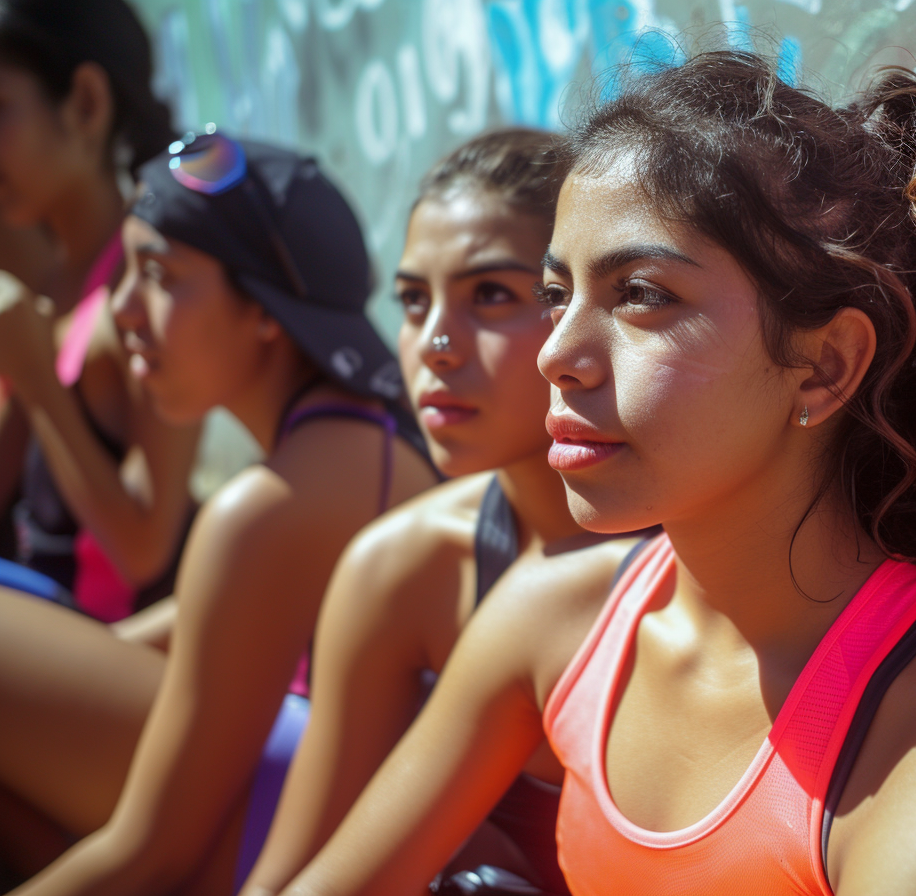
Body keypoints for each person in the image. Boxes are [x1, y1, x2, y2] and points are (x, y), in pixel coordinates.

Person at [277, 51, 916, 896]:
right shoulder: (555, 619)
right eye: (557, 295)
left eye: (642, 295)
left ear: (824, 367)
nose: (556, 354)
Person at [0, 132, 439, 894]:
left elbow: (151, 852)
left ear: (266, 311)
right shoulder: (360, 436)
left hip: (290, 830)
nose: (122, 310)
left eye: (159, 276)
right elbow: (209, 624)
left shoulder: (269, 506)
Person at [240, 130, 645, 896]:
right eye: (413, 301)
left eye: (491, 295)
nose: (436, 344)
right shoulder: (404, 565)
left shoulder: (714, 558)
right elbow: (291, 876)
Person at [0, 0, 198, 623]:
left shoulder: (145, 296)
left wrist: (35, 379)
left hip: (124, 671)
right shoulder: (52, 280)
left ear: (85, 103)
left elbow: (144, 549)